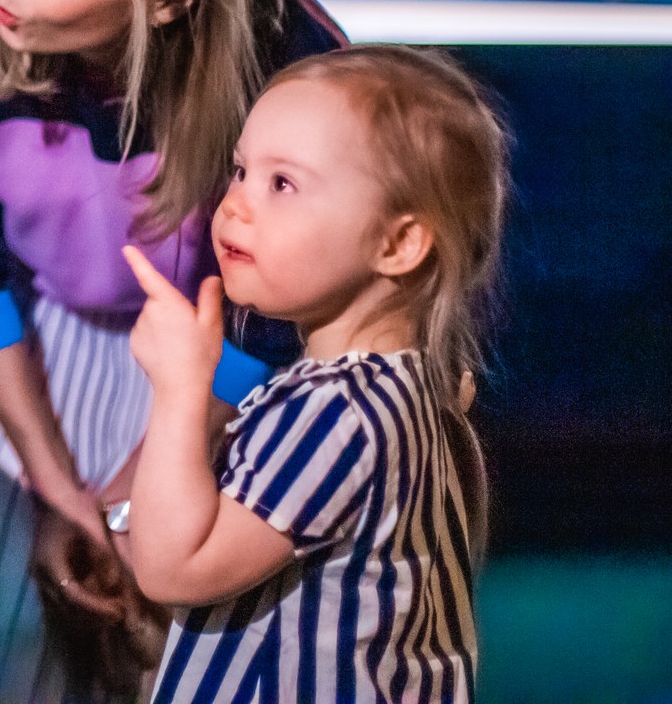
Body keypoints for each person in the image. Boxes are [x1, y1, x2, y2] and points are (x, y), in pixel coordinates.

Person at [0, 0, 343, 702]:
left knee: (172, 656)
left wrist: (134, 493)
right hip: (23, 355)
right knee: (13, 656)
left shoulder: (299, 68)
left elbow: (277, 325)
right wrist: (57, 487)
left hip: (220, 376)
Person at [123, 44, 501, 701]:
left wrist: (181, 388)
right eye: (241, 171)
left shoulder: (335, 412)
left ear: (397, 243)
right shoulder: (402, 388)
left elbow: (173, 567)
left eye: (282, 183)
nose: (235, 203)